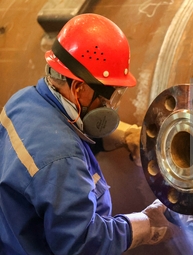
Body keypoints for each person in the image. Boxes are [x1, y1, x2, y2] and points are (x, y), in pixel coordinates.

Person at [0, 13, 179, 255]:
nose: (110, 106)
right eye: (110, 96)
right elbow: (82, 243)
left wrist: (124, 135)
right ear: (79, 87)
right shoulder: (62, 158)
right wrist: (147, 223)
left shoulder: (23, 100)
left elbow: (56, 138)